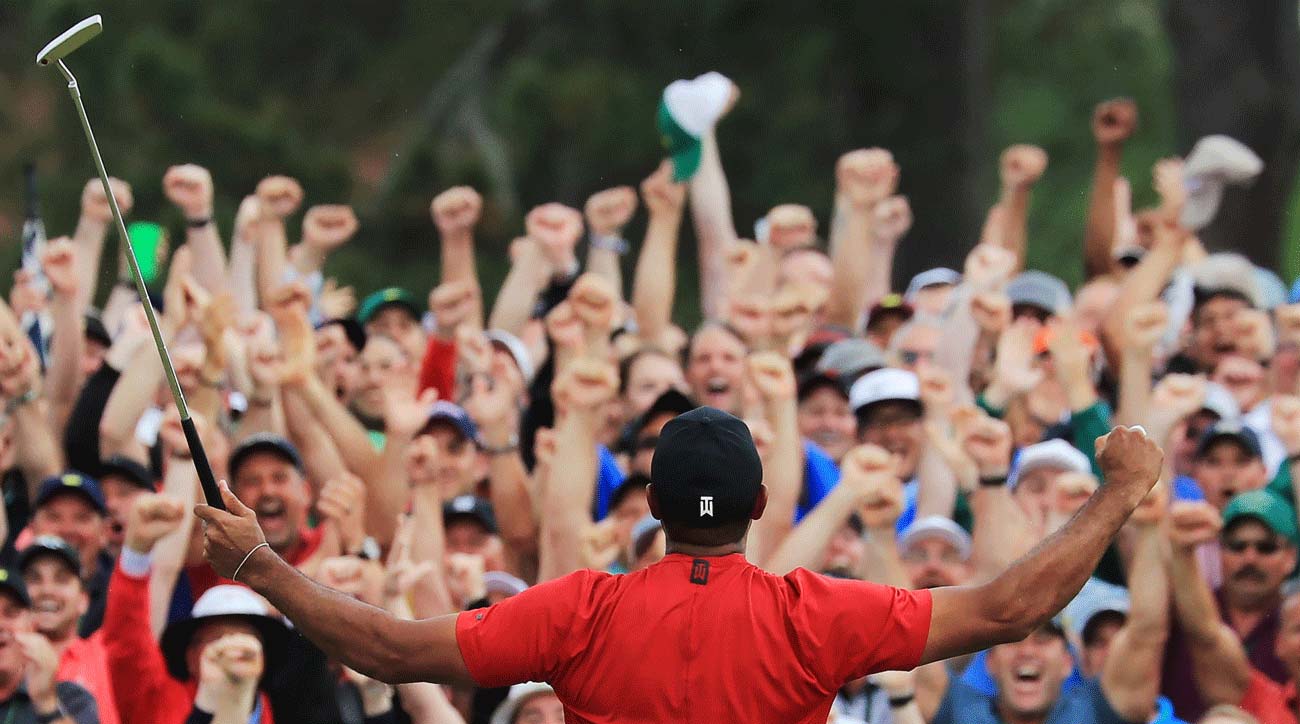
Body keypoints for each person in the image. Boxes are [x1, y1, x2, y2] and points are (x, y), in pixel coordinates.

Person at [197, 409, 1163, 723]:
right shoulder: (810, 614)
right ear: (758, 507)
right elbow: (1006, 608)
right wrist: (1115, 493)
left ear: (651, 510)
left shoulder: (579, 610)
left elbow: (389, 650)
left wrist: (264, 566)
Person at [18, 537, 118, 724]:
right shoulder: (5, 661)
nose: (47, 590)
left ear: (83, 600)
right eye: (34, 579)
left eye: (61, 579)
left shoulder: (108, 653)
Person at [0, 566, 98, 723]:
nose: (1, 625)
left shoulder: (70, 699)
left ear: (32, 626)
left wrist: (46, 704)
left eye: (11, 613)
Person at [26, 474, 112, 639]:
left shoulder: (119, 593)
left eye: (81, 518)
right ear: (32, 528)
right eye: (54, 517)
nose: (67, 530)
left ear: (104, 532)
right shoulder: (10, 584)